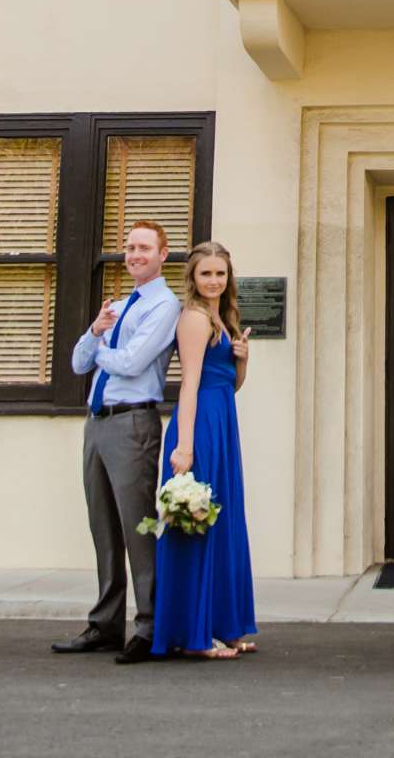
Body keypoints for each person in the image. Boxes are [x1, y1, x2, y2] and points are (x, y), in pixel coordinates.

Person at [53, 218, 184, 664]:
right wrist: (93, 332)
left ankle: (149, 625)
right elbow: (75, 362)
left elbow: (131, 362)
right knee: (103, 527)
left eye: (144, 247)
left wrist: (98, 351)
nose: (134, 255)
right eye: (129, 247)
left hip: (133, 425)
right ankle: (104, 623)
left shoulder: (164, 305)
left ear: (163, 254)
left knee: (138, 528)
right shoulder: (121, 305)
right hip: (97, 422)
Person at [152, 242, 258, 660]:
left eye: (221, 274)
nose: (214, 281)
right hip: (199, 428)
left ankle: (223, 625)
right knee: (197, 527)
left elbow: (230, 384)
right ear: (193, 279)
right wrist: (184, 445)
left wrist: (243, 360)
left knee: (223, 524)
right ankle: (194, 634)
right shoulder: (194, 318)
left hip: (223, 419)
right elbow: (190, 384)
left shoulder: (224, 317)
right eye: (206, 274)